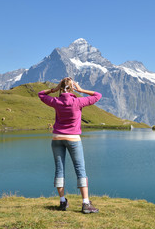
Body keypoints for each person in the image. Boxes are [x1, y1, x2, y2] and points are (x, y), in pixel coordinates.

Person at [38, 77, 102, 213]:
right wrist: (81, 90)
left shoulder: (56, 101)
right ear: (72, 88)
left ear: (61, 88)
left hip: (57, 138)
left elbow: (41, 94)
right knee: (80, 170)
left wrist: (54, 90)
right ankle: (85, 204)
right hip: (73, 139)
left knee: (59, 170)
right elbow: (98, 95)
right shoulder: (78, 101)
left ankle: (62, 202)